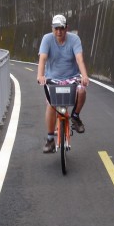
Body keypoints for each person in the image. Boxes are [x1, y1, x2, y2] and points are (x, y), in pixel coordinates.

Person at [37, 14, 90, 153]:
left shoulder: (74, 39)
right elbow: (42, 58)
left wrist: (84, 76)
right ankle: (50, 140)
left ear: (67, 28)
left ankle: (75, 116)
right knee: (51, 104)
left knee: (82, 90)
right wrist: (40, 75)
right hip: (52, 79)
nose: (59, 31)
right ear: (52, 28)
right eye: (56, 28)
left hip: (72, 77)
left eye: (61, 28)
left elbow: (79, 59)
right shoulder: (47, 39)